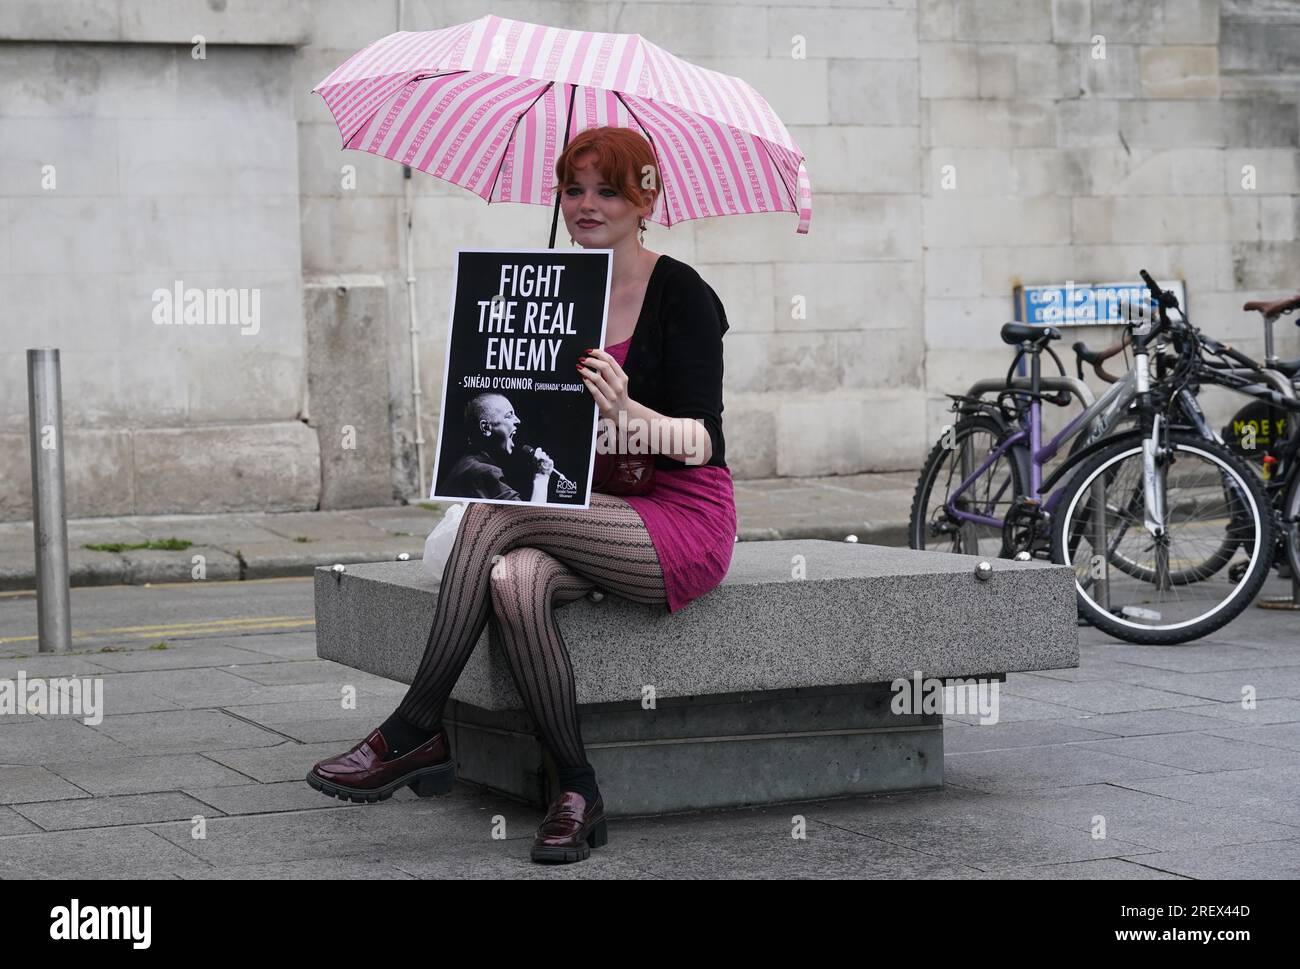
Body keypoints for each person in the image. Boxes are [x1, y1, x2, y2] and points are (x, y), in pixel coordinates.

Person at [306, 125, 738, 865]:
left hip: (678, 519)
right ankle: (576, 788)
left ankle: (414, 728)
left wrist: (629, 414)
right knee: (511, 578)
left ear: (646, 199)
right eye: (573, 189)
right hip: (584, 509)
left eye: (608, 189)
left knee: (495, 512)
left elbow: (705, 443)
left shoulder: (683, 294)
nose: (587, 205)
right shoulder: (554, 293)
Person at [438, 393, 554, 502]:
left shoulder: (467, 464)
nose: (518, 420)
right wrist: (542, 476)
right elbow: (530, 520)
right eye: (509, 416)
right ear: (486, 428)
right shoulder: (482, 472)